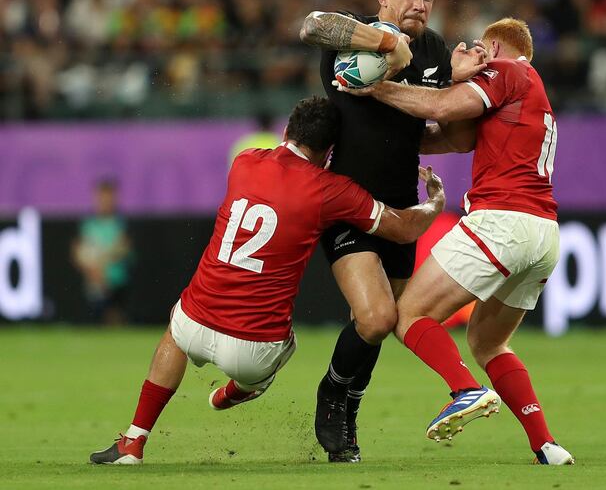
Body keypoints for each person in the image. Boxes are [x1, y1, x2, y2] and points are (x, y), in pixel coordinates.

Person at [89, 96, 445, 465]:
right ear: (329, 151)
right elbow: (404, 230)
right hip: (254, 349)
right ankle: (245, 387)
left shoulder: (244, 162)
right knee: (284, 346)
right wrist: (435, 201)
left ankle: (133, 442)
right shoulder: (330, 190)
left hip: (197, 322)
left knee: (174, 334)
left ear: (287, 130)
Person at [337, 18, 575, 465]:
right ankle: (546, 444)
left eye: (482, 49)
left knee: (408, 314)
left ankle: (465, 390)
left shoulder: (509, 71)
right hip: (543, 235)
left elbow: (446, 106)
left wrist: (375, 88)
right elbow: (444, 135)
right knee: (487, 343)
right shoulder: (530, 91)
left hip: (502, 221)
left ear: (498, 46)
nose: (477, 56)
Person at [299, 0, 486, 462]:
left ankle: (349, 407)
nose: (419, 4)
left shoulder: (434, 50)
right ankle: (333, 394)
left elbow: (449, 136)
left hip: (402, 211)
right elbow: (312, 24)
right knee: (378, 316)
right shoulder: (350, 35)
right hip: (348, 204)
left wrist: (465, 84)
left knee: (393, 319)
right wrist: (387, 44)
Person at [71, 178, 133, 325]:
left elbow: (124, 247)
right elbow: (78, 252)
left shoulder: (120, 223)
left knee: (116, 320)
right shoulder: (88, 224)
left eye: (109, 197)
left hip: (117, 283)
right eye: (102, 197)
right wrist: (92, 270)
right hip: (95, 284)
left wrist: (105, 261)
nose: (106, 201)